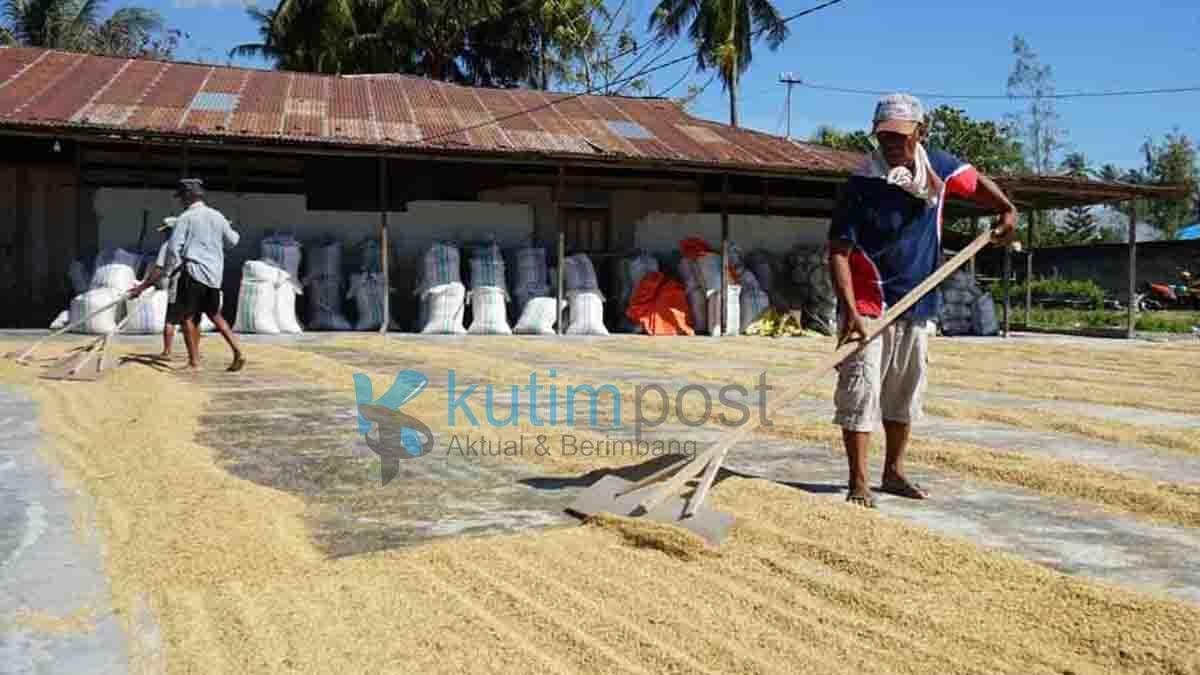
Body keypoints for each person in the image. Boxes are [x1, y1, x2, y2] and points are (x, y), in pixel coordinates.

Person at [828, 93, 1017, 508]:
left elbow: (975, 182)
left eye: (900, 137)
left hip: (919, 302)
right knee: (860, 392)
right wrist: (852, 311)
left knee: (903, 393)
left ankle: (893, 472)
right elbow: (838, 252)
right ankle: (858, 482)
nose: (892, 145)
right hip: (869, 306)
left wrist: (1005, 209)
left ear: (920, 132)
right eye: (884, 138)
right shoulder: (861, 184)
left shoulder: (939, 170)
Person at [132, 178, 245, 372]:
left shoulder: (185, 218)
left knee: (187, 317)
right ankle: (237, 351)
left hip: (193, 273)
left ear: (187, 196)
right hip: (214, 275)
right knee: (215, 314)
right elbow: (234, 240)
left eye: (181, 198)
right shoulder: (217, 216)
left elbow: (173, 249)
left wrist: (167, 273)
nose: (180, 202)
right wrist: (223, 228)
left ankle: (194, 362)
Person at [129, 216, 181, 359]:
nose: (164, 234)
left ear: (171, 230)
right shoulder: (188, 243)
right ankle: (194, 355)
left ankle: (167, 351)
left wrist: (141, 288)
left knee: (170, 319)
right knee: (192, 318)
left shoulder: (168, 245)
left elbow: (158, 269)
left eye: (166, 231)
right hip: (192, 283)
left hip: (177, 284)